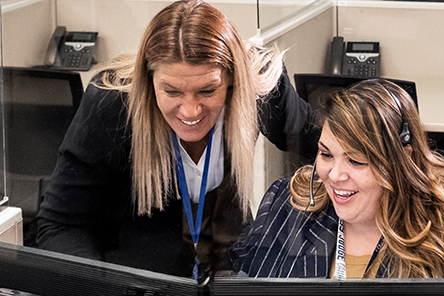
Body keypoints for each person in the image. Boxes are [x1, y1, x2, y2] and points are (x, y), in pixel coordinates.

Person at [36, 0, 319, 279]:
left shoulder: (259, 85)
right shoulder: (111, 105)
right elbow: (60, 225)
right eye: (172, 92)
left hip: (232, 267)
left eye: (207, 91)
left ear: (233, 79)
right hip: (140, 274)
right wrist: (99, 287)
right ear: (149, 81)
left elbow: (325, 142)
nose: (190, 111)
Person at [228, 79, 444, 278]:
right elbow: (237, 285)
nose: (334, 175)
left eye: (356, 161)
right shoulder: (289, 205)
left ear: (403, 159)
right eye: (326, 154)